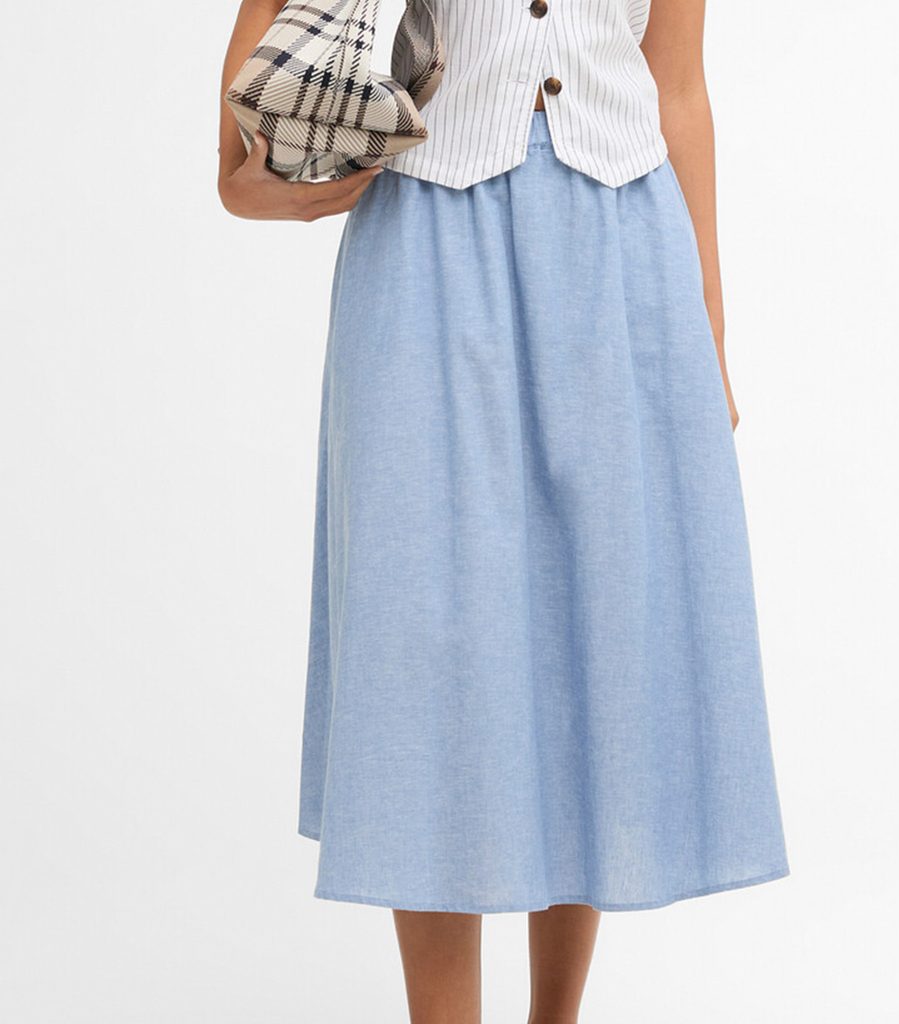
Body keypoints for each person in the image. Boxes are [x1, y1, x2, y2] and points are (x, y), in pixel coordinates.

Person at [218, 1, 790, 1020]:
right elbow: (251, 99)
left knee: (587, 637)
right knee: (431, 663)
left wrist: (708, 331)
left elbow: (678, 88)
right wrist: (251, 176)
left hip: (621, 253)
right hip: (426, 249)